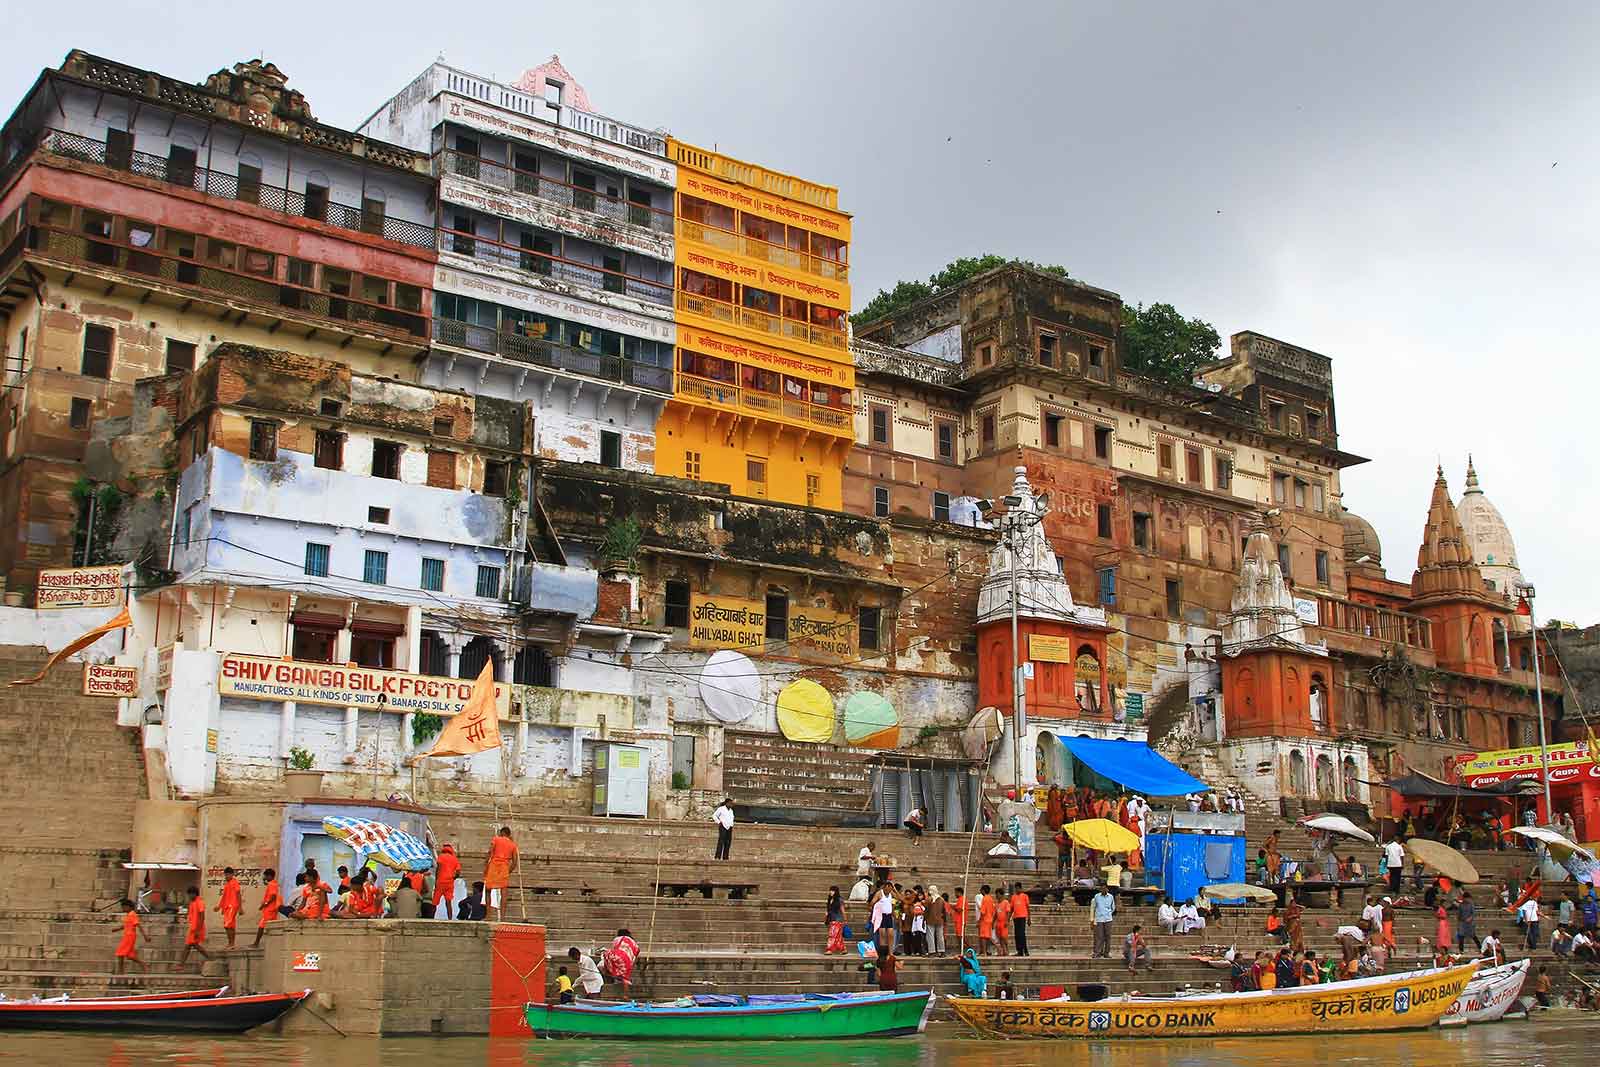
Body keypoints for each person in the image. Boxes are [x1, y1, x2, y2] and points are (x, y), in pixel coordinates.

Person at [484, 826, 519, 922]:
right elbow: (515, 862)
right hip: (504, 867)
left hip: (494, 865)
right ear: (509, 834)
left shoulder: (496, 839)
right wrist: (508, 871)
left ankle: (488, 915)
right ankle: (502, 918)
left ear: (502, 833)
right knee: (503, 893)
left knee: (488, 890)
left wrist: (486, 864)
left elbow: (490, 852)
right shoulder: (513, 845)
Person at [178, 886, 211, 972]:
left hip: (197, 928)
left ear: (194, 894)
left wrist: (198, 930)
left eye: (190, 894)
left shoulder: (199, 902)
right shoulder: (192, 903)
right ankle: (210, 958)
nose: (189, 896)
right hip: (192, 928)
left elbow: (202, 917)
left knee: (189, 946)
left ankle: (181, 964)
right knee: (192, 945)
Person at [113, 898, 147, 974]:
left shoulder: (133, 914)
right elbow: (125, 926)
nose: (123, 908)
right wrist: (117, 929)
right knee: (130, 956)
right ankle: (143, 964)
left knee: (120, 953)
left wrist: (145, 936)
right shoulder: (128, 915)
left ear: (129, 907)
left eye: (124, 907)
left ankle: (120, 971)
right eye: (123, 907)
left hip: (130, 936)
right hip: (127, 935)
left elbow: (138, 925)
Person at [603, 928, 640, 994]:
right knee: (625, 977)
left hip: (617, 956)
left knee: (606, 954)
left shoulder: (617, 939)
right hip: (627, 960)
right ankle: (626, 995)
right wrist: (631, 965)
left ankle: (608, 973)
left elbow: (614, 949)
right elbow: (637, 952)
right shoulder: (633, 942)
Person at [433, 843, 462, 920]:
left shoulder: (441, 857)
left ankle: (431, 917)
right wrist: (454, 877)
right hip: (449, 882)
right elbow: (458, 871)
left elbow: (438, 869)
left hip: (440, 881)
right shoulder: (454, 859)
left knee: (435, 902)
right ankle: (450, 918)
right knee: (448, 901)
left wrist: (436, 880)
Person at [253, 869, 281, 948]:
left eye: (265, 876)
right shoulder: (273, 884)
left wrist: (265, 904)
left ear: (269, 876)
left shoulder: (272, 884)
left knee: (262, 926)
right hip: (271, 910)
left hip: (270, 909)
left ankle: (256, 943)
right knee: (269, 927)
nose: (264, 877)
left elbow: (273, 896)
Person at [216, 868, 242, 949]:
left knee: (228, 925)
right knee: (230, 926)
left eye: (227, 875)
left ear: (231, 874)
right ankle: (231, 943)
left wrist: (240, 907)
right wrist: (220, 906)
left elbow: (238, 895)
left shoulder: (235, 883)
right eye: (225, 875)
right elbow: (224, 897)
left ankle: (231, 943)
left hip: (232, 906)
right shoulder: (227, 884)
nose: (226, 876)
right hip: (227, 907)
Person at [1091, 883, 1115, 959]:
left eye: (1105, 888)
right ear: (1100, 889)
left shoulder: (1111, 897)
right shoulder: (1096, 896)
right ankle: (1097, 953)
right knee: (1099, 937)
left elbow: (1113, 907)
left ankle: (1106, 953)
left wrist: (1108, 913)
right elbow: (1094, 908)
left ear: (1107, 889)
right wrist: (1093, 920)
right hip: (1099, 919)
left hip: (1108, 919)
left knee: (1108, 937)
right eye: (1102, 888)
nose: (1103, 890)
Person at [1011, 883, 1031, 957]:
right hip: (1015, 917)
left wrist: (1029, 918)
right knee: (1017, 935)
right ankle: (1019, 951)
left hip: (1022, 917)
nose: (1016, 890)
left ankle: (1025, 950)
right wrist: (1008, 918)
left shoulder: (1025, 896)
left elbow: (1028, 908)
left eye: (1017, 888)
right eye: (1015, 888)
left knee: (1022, 934)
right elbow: (1011, 909)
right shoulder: (1013, 897)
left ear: (1020, 888)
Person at [825, 886, 847, 954]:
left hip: (837, 919)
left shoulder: (839, 900)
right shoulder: (830, 900)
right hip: (831, 919)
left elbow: (843, 910)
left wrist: (845, 920)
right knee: (838, 936)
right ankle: (843, 949)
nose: (831, 892)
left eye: (833, 891)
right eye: (830, 890)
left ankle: (830, 949)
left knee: (832, 935)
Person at [927, 886, 948, 957]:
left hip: (930, 919)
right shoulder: (942, 899)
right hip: (940, 920)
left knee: (930, 936)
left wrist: (925, 918)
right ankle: (942, 951)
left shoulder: (929, 899)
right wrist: (944, 920)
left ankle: (932, 952)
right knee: (940, 936)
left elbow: (926, 910)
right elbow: (944, 911)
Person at [978, 884, 997, 956]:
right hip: (990, 920)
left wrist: (979, 920)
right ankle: (988, 951)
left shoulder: (985, 899)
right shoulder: (991, 899)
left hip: (984, 920)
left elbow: (983, 912)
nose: (980, 892)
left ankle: (984, 952)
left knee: (983, 937)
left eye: (981, 890)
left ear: (983, 890)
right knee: (988, 936)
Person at [994, 889, 1011, 956]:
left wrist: (1007, 921)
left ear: (1001, 895)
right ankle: (1002, 951)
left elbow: (1008, 912)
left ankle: (1007, 950)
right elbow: (995, 914)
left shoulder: (1006, 902)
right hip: (998, 923)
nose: (996, 896)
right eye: (996, 894)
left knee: (1004, 937)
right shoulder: (997, 904)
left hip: (1003, 923)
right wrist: (993, 922)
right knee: (1000, 937)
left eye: (997, 894)